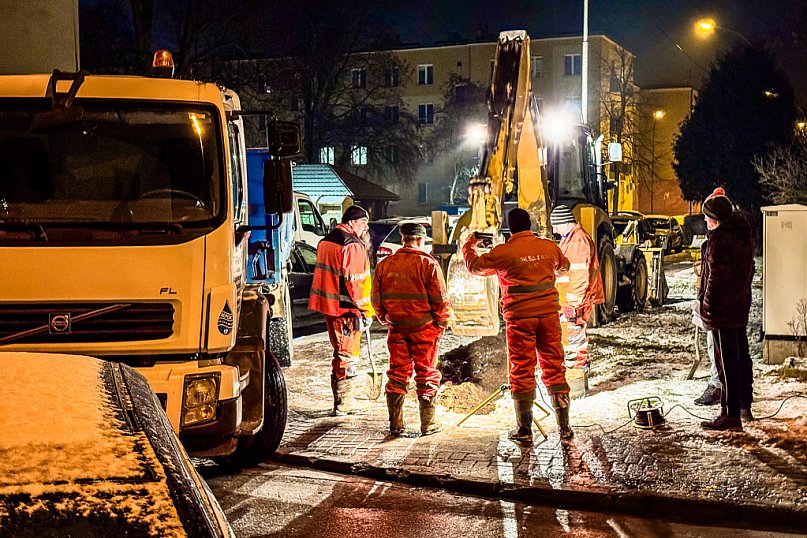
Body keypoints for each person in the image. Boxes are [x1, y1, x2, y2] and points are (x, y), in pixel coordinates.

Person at [463, 208, 573, 441]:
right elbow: (564, 267)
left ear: (509, 228)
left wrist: (469, 244)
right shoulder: (548, 247)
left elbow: (474, 267)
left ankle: (524, 430)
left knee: (522, 369)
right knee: (554, 365)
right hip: (548, 318)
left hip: (520, 320)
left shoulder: (503, 253)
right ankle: (564, 427)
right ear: (530, 224)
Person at [372, 222, 453, 436]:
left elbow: (376, 299)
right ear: (420, 240)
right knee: (426, 373)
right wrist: (442, 323)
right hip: (424, 330)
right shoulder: (428, 264)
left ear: (403, 239)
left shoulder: (385, 265)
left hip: (397, 328)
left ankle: (395, 424)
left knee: (397, 374)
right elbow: (440, 300)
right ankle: (428, 425)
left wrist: (386, 318)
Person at [697, 187, 755, 431]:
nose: (705, 221)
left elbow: (716, 279)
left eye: (707, 217)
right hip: (738, 305)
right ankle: (743, 405)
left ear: (715, 219)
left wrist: (707, 307)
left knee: (726, 361)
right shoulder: (742, 235)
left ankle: (730, 414)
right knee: (740, 356)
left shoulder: (720, 240)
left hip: (723, 309)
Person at [309, 205, 375, 416]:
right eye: (363, 222)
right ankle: (345, 403)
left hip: (329, 306)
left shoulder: (327, 241)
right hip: (347, 310)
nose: (366, 227)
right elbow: (356, 283)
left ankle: (342, 400)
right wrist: (366, 310)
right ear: (351, 222)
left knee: (339, 352)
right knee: (348, 354)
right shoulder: (352, 246)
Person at [550, 205, 604, 398]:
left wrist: (571, 304)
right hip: (571, 300)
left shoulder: (577, 241)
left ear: (565, 222)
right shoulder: (572, 239)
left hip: (574, 302)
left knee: (573, 343)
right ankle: (577, 384)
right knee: (573, 342)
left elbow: (579, 276)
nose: (555, 231)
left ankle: (575, 389)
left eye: (556, 226)